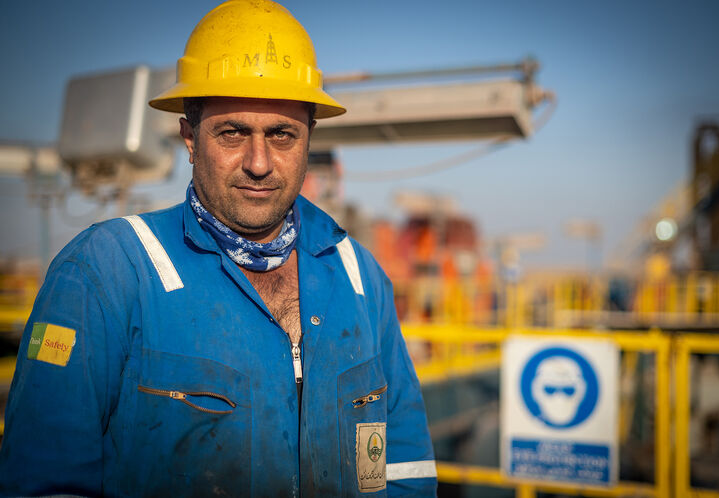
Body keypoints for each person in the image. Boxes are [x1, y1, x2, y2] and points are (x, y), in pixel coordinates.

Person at [0, 0, 437, 495]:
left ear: (309, 138)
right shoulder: (105, 273)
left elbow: (408, 471)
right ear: (189, 137)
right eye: (233, 133)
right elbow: (45, 479)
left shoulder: (360, 276)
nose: (259, 162)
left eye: (282, 135)